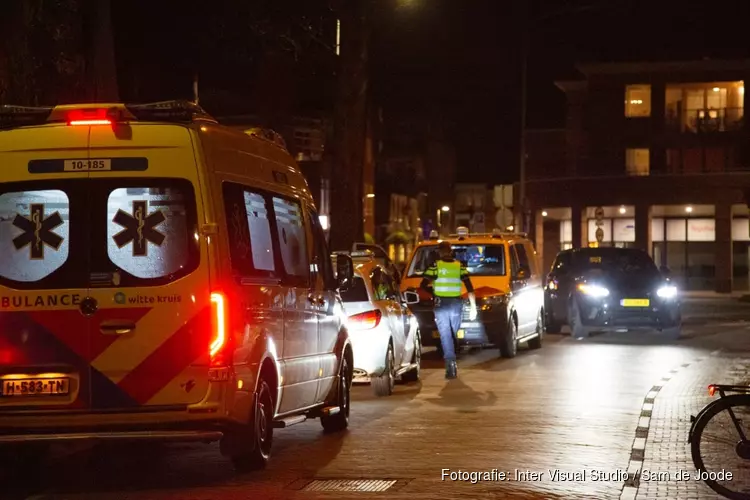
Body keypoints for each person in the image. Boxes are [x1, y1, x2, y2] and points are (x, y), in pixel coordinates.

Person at [420, 241, 477, 379]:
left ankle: (451, 363)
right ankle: (451, 363)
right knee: (452, 333)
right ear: (450, 251)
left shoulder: (435, 266)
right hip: (456, 304)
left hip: (441, 305)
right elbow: (470, 287)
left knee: (446, 335)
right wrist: (473, 307)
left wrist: (434, 294)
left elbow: (422, 285)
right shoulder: (459, 266)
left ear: (440, 252)